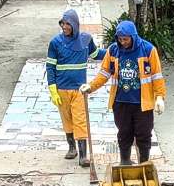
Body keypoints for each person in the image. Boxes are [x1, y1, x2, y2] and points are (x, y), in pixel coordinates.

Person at [80, 20, 166, 165]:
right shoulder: (113, 50)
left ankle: (144, 163)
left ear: (133, 37)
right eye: (120, 39)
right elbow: (104, 73)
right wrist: (91, 86)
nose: (123, 42)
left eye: (125, 39)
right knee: (124, 133)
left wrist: (159, 97)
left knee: (144, 134)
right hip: (121, 102)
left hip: (142, 103)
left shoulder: (148, 50)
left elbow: (156, 76)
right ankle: (125, 161)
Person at [46, 9, 103, 167]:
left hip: (79, 89)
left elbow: (96, 54)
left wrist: (115, 52)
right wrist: (52, 89)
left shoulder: (85, 40)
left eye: (67, 24)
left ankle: (83, 156)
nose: (64, 26)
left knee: (80, 120)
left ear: (75, 24)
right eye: (62, 23)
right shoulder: (55, 43)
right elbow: (50, 67)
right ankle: (72, 148)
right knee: (67, 119)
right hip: (61, 89)